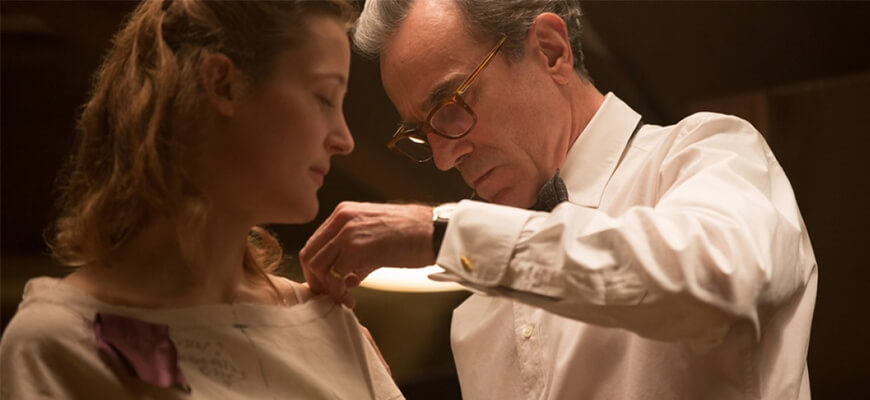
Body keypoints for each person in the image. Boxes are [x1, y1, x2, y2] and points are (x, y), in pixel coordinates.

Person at [299, 0, 817, 399]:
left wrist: (442, 235)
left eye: (451, 104)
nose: (442, 157)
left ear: (551, 51)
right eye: (422, 131)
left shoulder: (711, 153)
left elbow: (719, 281)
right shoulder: (478, 316)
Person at [0, 1, 404, 399]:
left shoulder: (325, 321)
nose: (344, 140)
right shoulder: (63, 343)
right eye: (324, 97)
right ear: (224, 84)